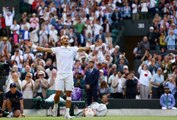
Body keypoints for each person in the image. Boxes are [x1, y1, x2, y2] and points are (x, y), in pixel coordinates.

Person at [27, 35, 91, 119]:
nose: (66, 39)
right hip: (60, 74)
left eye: (67, 38)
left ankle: (67, 114)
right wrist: (33, 46)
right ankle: (55, 104)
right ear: (61, 41)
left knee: (69, 94)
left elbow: (83, 49)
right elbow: (44, 49)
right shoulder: (57, 49)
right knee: (58, 94)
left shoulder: (72, 49)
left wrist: (93, 46)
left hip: (69, 74)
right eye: (64, 38)